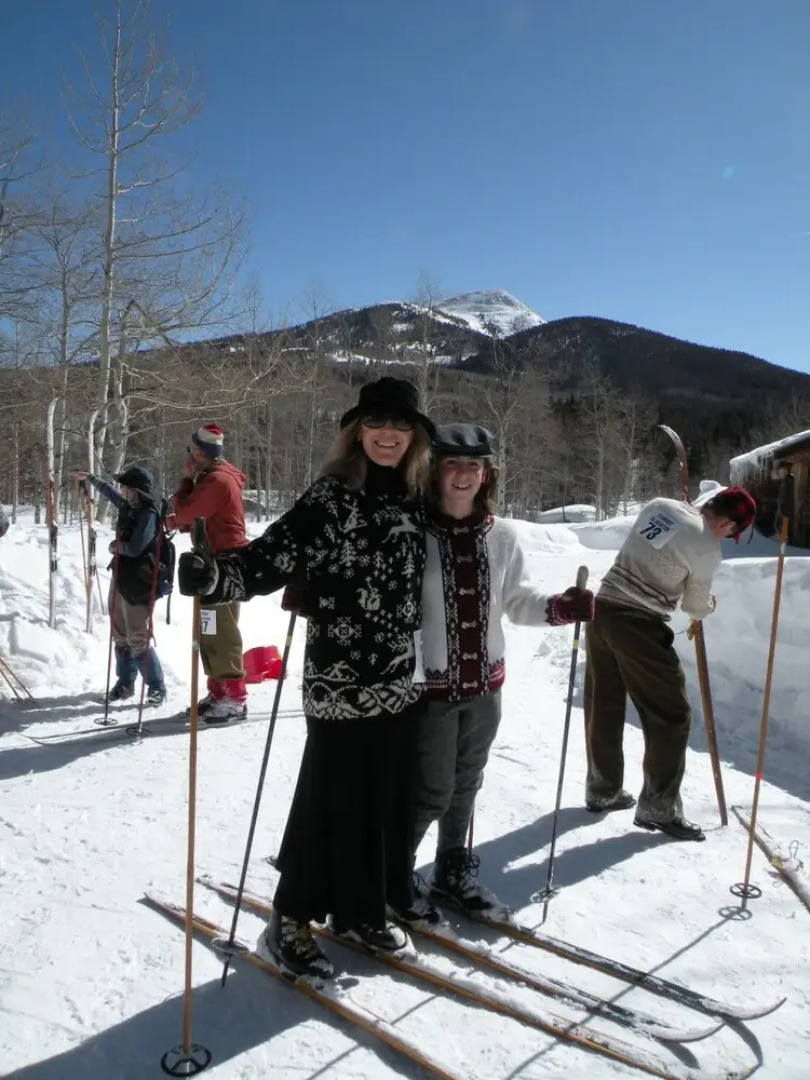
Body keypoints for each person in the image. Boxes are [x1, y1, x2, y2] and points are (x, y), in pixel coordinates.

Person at [178, 377, 434, 979]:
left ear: (416, 435)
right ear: (359, 432)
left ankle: (360, 910)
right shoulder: (332, 496)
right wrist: (216, 577)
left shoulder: (417, 500)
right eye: (376, 424)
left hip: (400, 679)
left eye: (399, 425)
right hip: (339, 682)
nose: (388, 435)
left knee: (383, 805)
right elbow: (271, 556)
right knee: (332, 801)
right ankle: (289, 918)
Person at [401, 423, 594, 922]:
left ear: (487, 474)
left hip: (486, 685)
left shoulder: (503, 536)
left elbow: (517, 600)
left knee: (467, 783)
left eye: (474, 466)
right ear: (435, 471)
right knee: (431, 789)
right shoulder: (412, 531)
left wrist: (560, 606)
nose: (463, 475)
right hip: (431, 687)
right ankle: (392, 876)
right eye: (452, 465)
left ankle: (451, 871)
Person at [583, 485, 757, 842]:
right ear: (728, 522)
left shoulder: (659, 506)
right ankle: (659, 806)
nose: (727, 537)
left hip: (602, 610)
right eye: (732, 532)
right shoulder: (707, 547)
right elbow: (694, 607)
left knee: (604, 701)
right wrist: (710, 603)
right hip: (639, 624)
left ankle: (603, 787)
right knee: (671, 713)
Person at [170, 424, 249, 724]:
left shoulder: (216, 480)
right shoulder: (215, 477)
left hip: (223, 564)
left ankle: (233, 696)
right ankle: (219, 690)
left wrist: (185, 480)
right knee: (211, 628)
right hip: (215, 560)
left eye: (192, 451)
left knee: (221, 630)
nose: (190, 457)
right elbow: (194, 518)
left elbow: (184, 513)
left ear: (201, 453)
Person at [70, 467, 167, 706]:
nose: (121, 490)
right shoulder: (129, 506)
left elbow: (135, 548)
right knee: (120, 635)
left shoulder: (148, 514)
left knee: (136, 637)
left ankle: (156, 687)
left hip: (140, 583)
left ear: (135, 491)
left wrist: (115, 547)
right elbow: (110, 493)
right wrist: (90, 479)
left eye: (125, 487)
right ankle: (125, 684)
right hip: (121, 577)